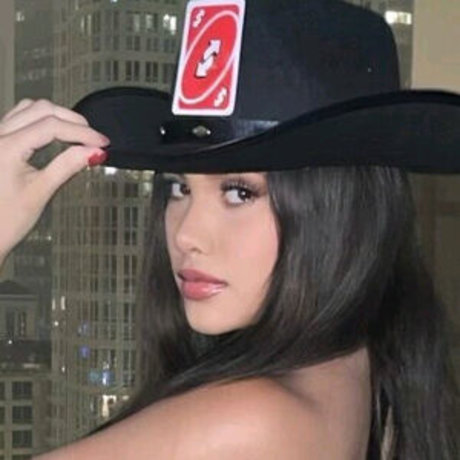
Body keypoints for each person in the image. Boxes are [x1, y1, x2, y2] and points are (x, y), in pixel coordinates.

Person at [0, 0, 459, 458]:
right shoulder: (361, 367)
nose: (186, 235)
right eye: (179, 188)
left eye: (239, 193)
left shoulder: (247, 420)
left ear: (341, 210)